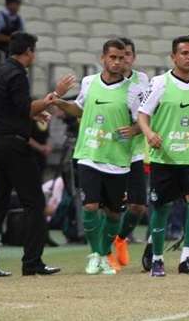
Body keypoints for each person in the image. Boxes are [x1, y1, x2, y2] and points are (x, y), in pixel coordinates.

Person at [0, 32, 75, 277]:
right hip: (12, 146)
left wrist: (34, 113)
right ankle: (32, 262)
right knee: (35, 203)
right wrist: (54, 96)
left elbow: (9, 109)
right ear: (29, 51)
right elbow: (25, 106)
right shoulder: (18, 74)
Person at [53, 39, 143, 275]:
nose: (117, 62)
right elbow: (79, 109)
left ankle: (104, 254)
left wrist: (134, 130)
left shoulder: (133, 90)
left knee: (114, 213)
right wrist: (62, 103)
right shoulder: (89, 82)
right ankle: (95, 254)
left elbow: (143, 121)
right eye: (112, 57)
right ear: (103, 58)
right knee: (90, 206)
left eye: (121, 57)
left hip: (117, 158)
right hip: (89, 153)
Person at [137, 35, 189, 277]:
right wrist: (150, 133)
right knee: (161, 208)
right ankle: (158, 259)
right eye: (184, 53)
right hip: (165, 158)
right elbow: (142, 115)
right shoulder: (160, 83)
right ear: (173, 57)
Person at [110, 37, 150, 270]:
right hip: (109, 151)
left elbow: (148, 113)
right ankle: (104, 252)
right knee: (110, 206)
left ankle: (121, 238)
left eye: (127, 55)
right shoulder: (102, 82)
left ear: (133, 58)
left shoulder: (142, 81)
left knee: (138, 206)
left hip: (134, 151)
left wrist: (135, 128)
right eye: (118, 55)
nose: (123, 59)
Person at [0, 0, 25, 66]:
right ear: (10, 4)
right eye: (16, 4)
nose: (18, 6)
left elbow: (21, 34)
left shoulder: (19, 18)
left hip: (14, 53)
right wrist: (10, 39)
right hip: (0, 51)